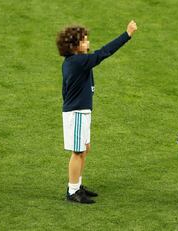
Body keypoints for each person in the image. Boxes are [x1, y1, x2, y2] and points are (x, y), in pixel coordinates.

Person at [56, 20, 137, 204]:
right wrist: (127, 34)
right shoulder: (78, 61)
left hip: (80, 111)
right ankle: (73, 191)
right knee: (78, 152)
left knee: (84, 149)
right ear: (74, 46)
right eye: (84, 41)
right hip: (76, 113)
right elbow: (103, 53)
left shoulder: (74, 61)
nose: (88, 43)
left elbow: (64, 90)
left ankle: (77, 184)